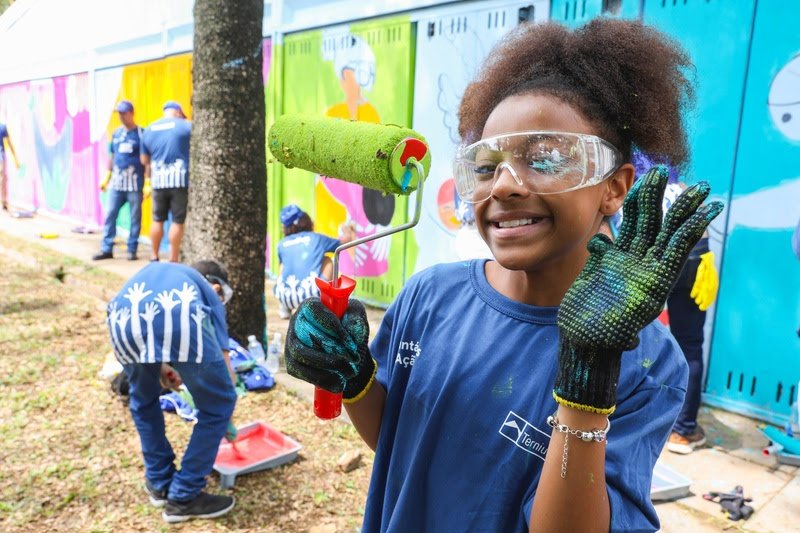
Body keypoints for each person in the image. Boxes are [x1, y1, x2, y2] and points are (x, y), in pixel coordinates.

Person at [285, 19, 723, 532]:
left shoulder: (646, 359)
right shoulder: (429, 297)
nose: (505, 186)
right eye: (487, 166)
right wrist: (354, 378)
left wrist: (588, 378)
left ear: (614, 186)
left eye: (545, 159)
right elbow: (399, 441)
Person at [106, 260, 237, 523]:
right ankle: (184, 497)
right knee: (219, 404)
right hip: (178, 313)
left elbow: (146, 322)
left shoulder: (163, 273)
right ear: (216, 287)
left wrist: (162, 367)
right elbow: (224, 363)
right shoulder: (208, 291)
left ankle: (159, 482)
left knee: (143, 400)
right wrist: (226, 411)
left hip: (120, 318)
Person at [663, 181, 719, 454]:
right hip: (696, 256)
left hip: (657, 255)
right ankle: (683, 431)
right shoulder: (683, 185)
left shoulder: (629, 178)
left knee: (628, 335)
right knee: (690, 344)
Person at [274, 204, 355, 318]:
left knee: (283, 265)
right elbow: (343, 243)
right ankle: (326, 303)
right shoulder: (316, 238)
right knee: (327, 260)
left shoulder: (281, 244)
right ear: (305, 220)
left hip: (285, 297)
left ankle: (284, 308)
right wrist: (347, 232)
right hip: (311, 296)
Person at [93, 100, 145, 261]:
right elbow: (112, 156)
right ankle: (107, 248)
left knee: (135, 216)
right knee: (110, 214)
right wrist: (107, 176)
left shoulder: (142, 134)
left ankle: (132, 248)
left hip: (134, 182)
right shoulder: (116, 134)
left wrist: (148, 181)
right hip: (117, 183)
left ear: (131, 113)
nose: (122, 117)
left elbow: (146, 159)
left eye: (124, 113)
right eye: (119, 114)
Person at [141, 101, 192, 262]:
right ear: (177, 112)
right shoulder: (186, 126)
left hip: (158, 181)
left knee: (157, 220)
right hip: (179, 181)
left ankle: (154, 255)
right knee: (177, 221)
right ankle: (173, 257)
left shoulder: (149, 129)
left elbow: (144, 160)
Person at [0, 120, 20, 211]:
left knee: (3, 179)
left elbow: (9, 143)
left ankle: (4, 201)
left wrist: (15, 158)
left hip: (1, 156)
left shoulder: (3, 127)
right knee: (3, 179)